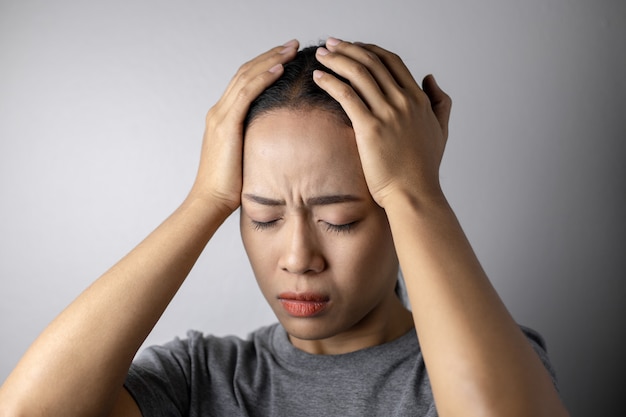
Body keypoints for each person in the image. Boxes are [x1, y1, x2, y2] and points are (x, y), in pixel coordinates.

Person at [0, 38, 569, 416]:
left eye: (339, 220)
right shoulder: (201, 377)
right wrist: (206, 199)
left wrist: (416, 189)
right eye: (263, 217)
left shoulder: (478, 362)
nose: (298, 257)